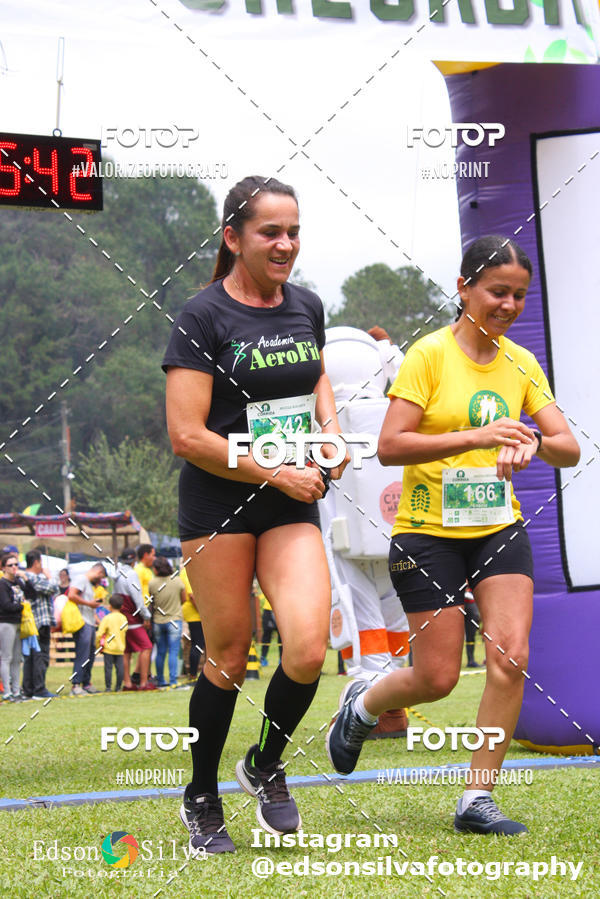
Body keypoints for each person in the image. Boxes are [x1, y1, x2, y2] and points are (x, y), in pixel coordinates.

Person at [326, 235, 581, 835]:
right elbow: (391, 445)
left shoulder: (522, 363)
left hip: (497, 526)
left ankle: (477, 798)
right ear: (464, 288)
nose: (509, 305)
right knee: (436, 678)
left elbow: (568, 446)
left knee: (511, 656)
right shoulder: (429, 355)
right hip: (427, 533)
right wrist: (478, 437)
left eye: (519, 295)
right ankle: (362, 705)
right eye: (497, 291)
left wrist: (529, 442)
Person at [163, 175, 347, 855]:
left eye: (293, 231)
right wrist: (276, 469)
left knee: (307, 647)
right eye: (271, 231)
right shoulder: (202, 315)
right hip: (219, 505)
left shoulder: (306, 305)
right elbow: (187, 436)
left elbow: (315, 375)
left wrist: (331, 433)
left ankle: (265, 762)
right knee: (229, 655)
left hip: (290, 500)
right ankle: (201, 796)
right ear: (233, 237)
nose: (285, 243)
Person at [113, 546, 155, 691]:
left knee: (127, 651)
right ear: (134, 560)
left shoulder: (117, 574)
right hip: (133, 617)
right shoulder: (131, 574)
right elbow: (137, 598)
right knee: (147, 647)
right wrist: (146, 616)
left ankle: (127, 683)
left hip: (122, 617)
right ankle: (144, 683)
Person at [22, 550, 58, 699]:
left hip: (30, 624)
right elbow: (53, 588)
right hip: (40, 622)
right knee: (40, 656)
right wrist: (50, 576)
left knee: (30, 657)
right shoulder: (32, 577)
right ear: (36, 562)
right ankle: (39, 689)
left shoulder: (24, 577)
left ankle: (29, 689)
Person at [68, 562, 107, 696]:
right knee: (83, 654)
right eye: (101, 577)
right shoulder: (81, 579)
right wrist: (89, 603)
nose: (100, 581)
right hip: (82, 622)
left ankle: (86, 683)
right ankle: (76, 685)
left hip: (90, 622)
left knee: (90, 654)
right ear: (98, 572)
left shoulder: (88, 585)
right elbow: (71, 595)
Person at [148, 556, 185, 688]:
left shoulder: (152, 583)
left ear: (156, 569)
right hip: (174, 620)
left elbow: (151, 602)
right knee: (173, 652)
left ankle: (161, 681)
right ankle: (173, 681)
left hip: (158, 621)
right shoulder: (177, 581)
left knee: (161, 652)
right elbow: (184, 599)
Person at [0, 552, 31, 702]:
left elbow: (32, 594)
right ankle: (7, 691)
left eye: (16, 564)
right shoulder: (2, 584)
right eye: (10, 565)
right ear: (3, 568)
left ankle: (16, 691)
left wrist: (26, 579)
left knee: (17, 658)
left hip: (19, 622)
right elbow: (5, 605)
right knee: (6, 657)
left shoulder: (17, 582)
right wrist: (22, 606)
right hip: (6, 622)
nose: (14, 567)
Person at [96, 594, 128, 691]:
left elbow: (99, 634)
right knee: (120, 668)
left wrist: (98, 645)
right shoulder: (123, 618)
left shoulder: (107, 618)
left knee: (108, 668)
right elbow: (125, 630)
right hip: (120, 647)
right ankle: (118, 687)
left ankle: (108, 687)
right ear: (121, 606)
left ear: (110, 606)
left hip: (108, 648)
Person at [180, 565, 204, 680]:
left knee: (196, 643)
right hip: (195, 613)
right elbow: (192, 596)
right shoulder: (188, 572)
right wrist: (203, 612)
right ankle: (193, 674)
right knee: (197, 644)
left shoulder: (184, 571)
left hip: (192, 612)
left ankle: (193, 673)